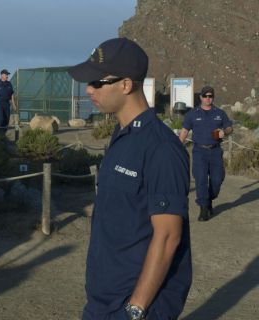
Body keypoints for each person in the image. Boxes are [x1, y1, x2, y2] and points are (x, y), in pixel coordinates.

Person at [68, 38, 192, 320]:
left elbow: (169, 235)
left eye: (97, 83)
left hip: (135, 305)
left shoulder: (161, 148)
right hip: (104, 299)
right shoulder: (122, 137)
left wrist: (135, 309)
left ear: (125, 85)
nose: (89, 90)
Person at [179, 86, 233, 221]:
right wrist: (177, 148)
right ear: (200, 97)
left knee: (217, 180)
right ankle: (203, 209)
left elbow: (229, 127)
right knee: (201, 180)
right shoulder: (192, 114)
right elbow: (184, 132)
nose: (208, 98)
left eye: (210, 96)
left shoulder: (219, 113)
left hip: (215, 151)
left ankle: (208, 200)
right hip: (199, 152)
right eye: (205, 96)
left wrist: (224, 132)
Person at [0, 69, 17, 133]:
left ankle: (3, 135)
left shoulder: (9, 84)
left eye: (7, 75)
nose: (7, 76)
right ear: (2, 75)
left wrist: (14, 105)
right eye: (6, 75)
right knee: (1, 119)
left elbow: (11, 95)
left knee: (6, 120)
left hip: (7, 104)